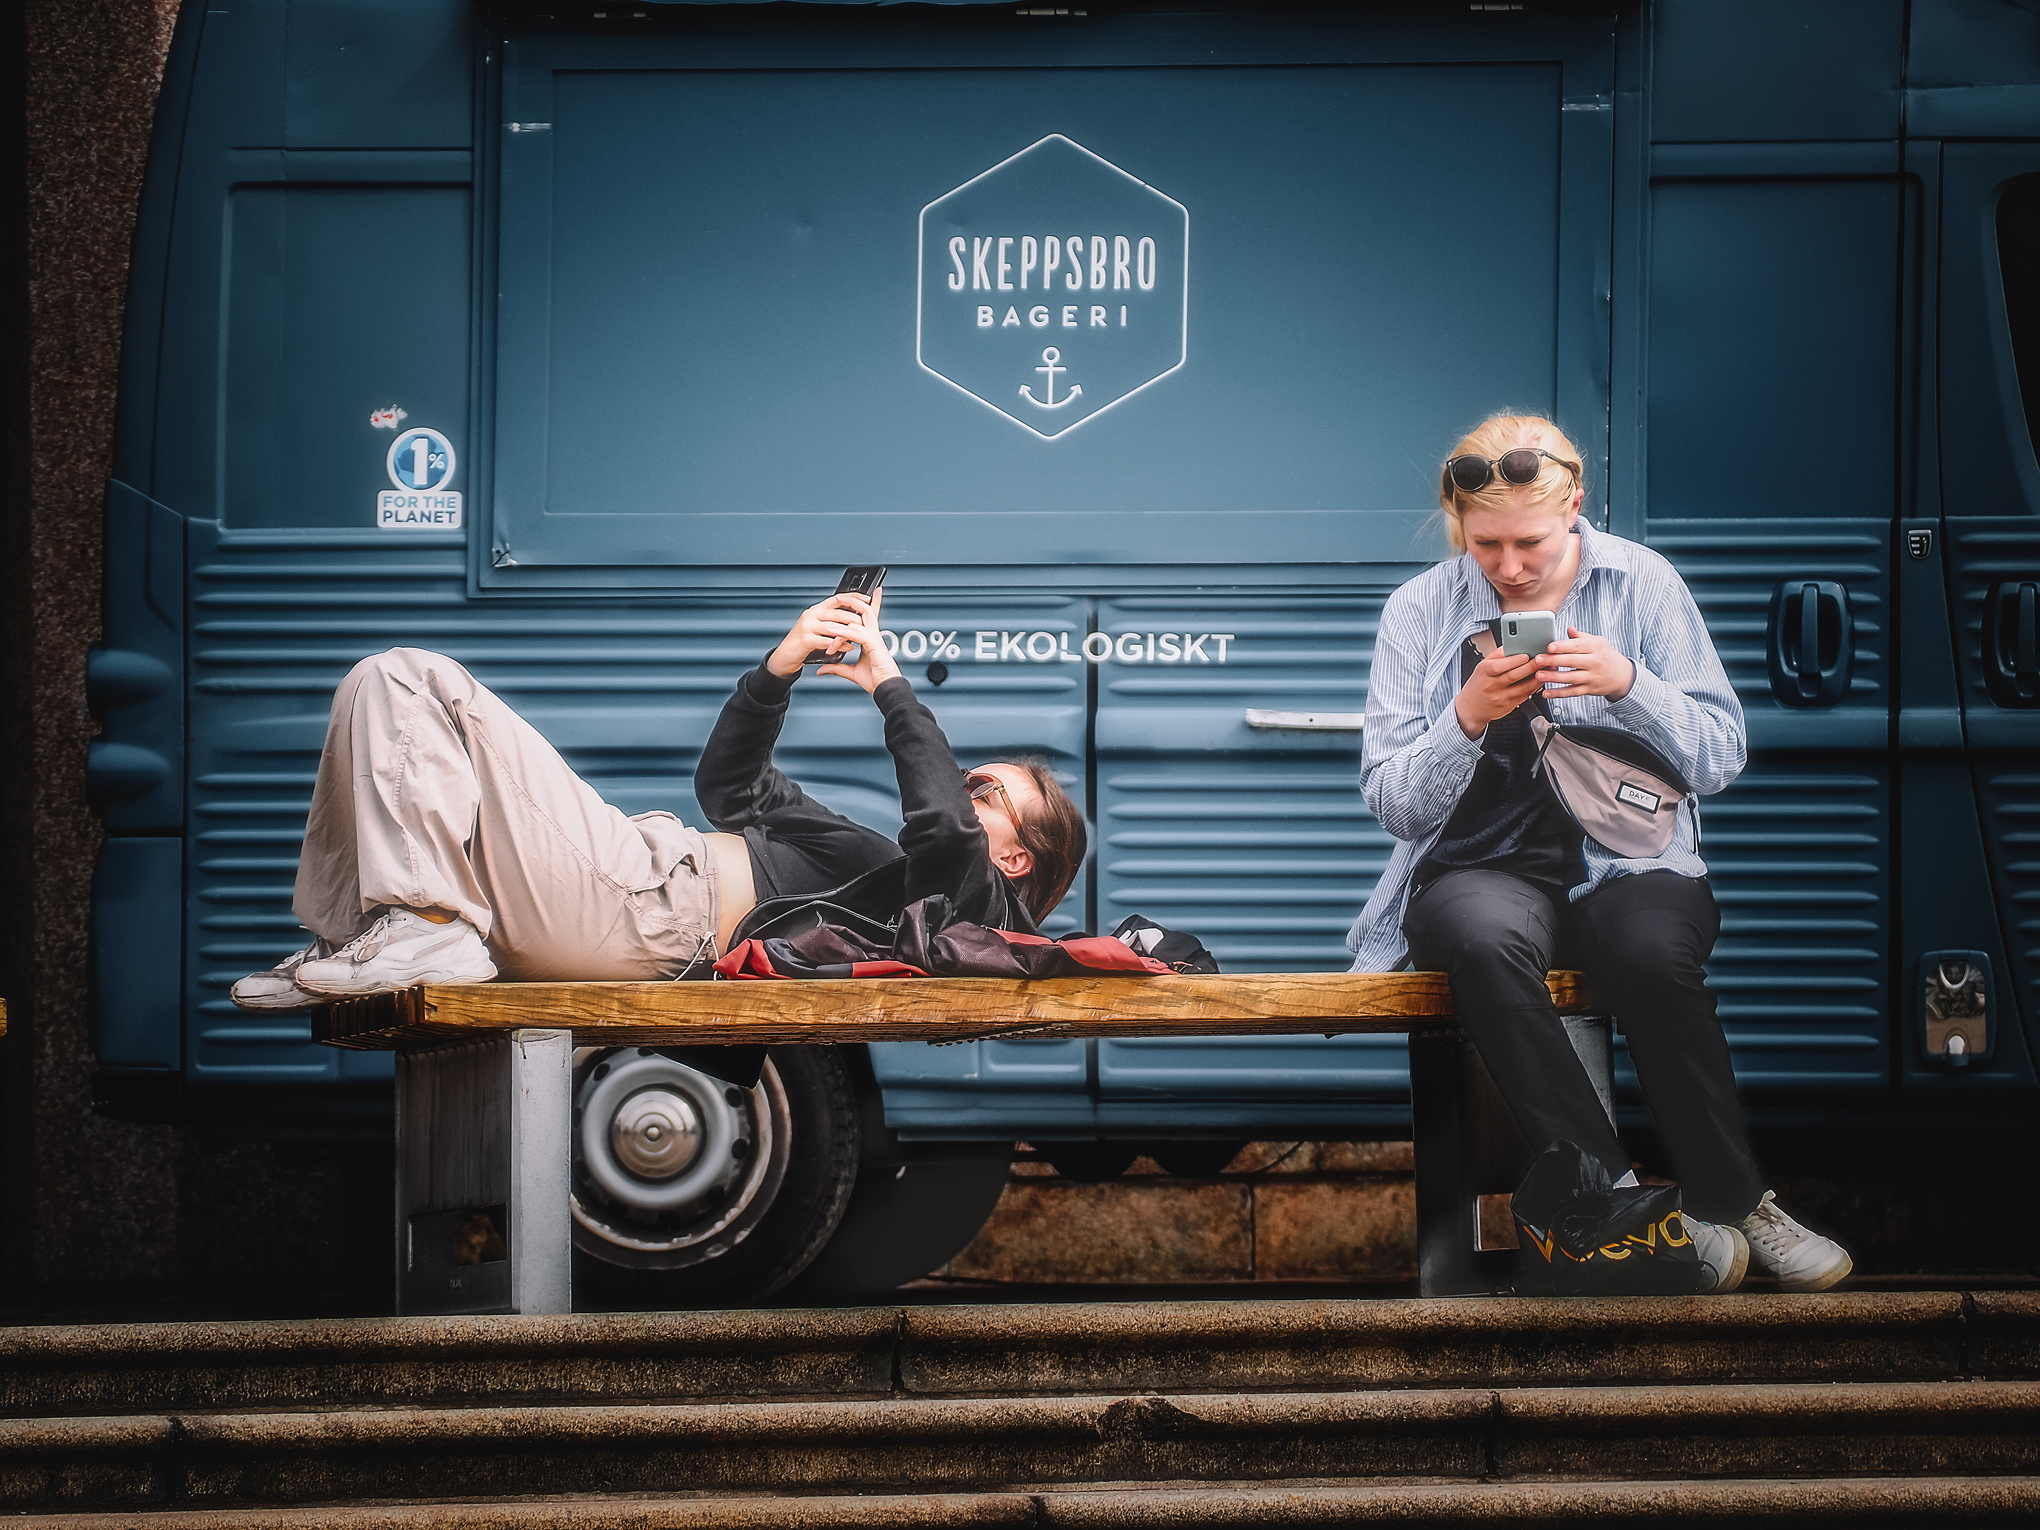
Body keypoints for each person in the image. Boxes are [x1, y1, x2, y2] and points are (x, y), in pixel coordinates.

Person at [1346, 413, 1852, 1294]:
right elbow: (1393, 802)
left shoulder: (1643, 584)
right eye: (1486, 542)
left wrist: (1629, 684)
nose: (1507, 567)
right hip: (1479, 865)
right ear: (1456, 519)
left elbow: (1720, 756)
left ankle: (1735, 1203)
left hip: (1629, 859)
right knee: (1479, 935)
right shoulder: (1421, 608)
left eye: (1530, 542)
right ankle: (1611, 1201)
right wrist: (1464, 717)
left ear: (1576, 505)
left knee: (1653, 953)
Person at [232, 587, 1086, 1007]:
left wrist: (889, 684)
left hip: (642, 905)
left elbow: (939, 820)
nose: (959, 782)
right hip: (631, 877)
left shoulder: (972, 911)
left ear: (1016, 856)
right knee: (372, 690)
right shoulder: (881, 871)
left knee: (412, 681)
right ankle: (369, 940)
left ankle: (421, 932)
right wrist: (781, 666)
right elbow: (730, 788)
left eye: (985, 788)